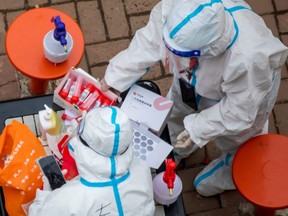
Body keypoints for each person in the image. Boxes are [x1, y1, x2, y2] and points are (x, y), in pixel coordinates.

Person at [100, 0, 288, 196]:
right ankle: (175, 150)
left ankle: (232, 167)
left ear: (207, 50)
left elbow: (239, 112)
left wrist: (198, 128)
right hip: (194, 78)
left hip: (245, 95)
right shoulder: (179, 9)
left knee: (238, 138)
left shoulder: (250, 59)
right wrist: (114, 80)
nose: (169, 62)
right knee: (177, 110)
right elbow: (148, 43)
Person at [28, 107, 155, 215]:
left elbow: (35, 213)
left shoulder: (67, 199)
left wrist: (46, 195)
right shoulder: (142, 168)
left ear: (82, 147)